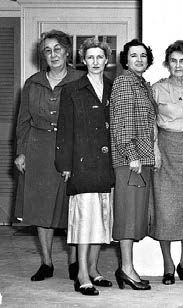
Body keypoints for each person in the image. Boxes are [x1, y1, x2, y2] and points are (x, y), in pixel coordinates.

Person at [14, 29, 81, 282]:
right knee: (41, 208)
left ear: (66, 51)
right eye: (47, 50)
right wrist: (21, 152)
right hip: (38, 147)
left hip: (71, 147)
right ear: (43, 55)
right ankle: (47, 262)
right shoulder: (33, 82)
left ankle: (75, 262)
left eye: (57, 49)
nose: (53, 54)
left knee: (72, 207)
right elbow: (23, 122)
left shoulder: (80, 80)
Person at [55, 38, 115, 296]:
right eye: (90, 57)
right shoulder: (72, 89)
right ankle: (81, 273)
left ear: (106, 60)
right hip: (82, 162)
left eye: (99, 57)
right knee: (83, 219)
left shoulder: (113, 87)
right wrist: (65, 164)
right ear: (83, 60)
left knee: (101, 218)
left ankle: (93, 268)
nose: (95, 62)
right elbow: (65, 131)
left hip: (106, 163)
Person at [150, 40, 183, 285]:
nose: (178, 65)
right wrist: (155, 150)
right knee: (166, 209)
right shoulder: (157, 89)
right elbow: (151, 123)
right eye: (174, 60)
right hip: (166, 147)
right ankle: (168, 265)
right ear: (167, 63)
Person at [109, 39, 155, 291]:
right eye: (133, 55)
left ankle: (127, 267)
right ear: (125, 60)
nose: (139, 59)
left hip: (142, 159)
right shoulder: (125, 82)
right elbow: (122, 122)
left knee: (135, 215)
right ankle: (126, 268)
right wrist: (131, 154)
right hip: (131, 160)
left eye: (143, 55)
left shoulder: (141, 84)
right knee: (128, 215)